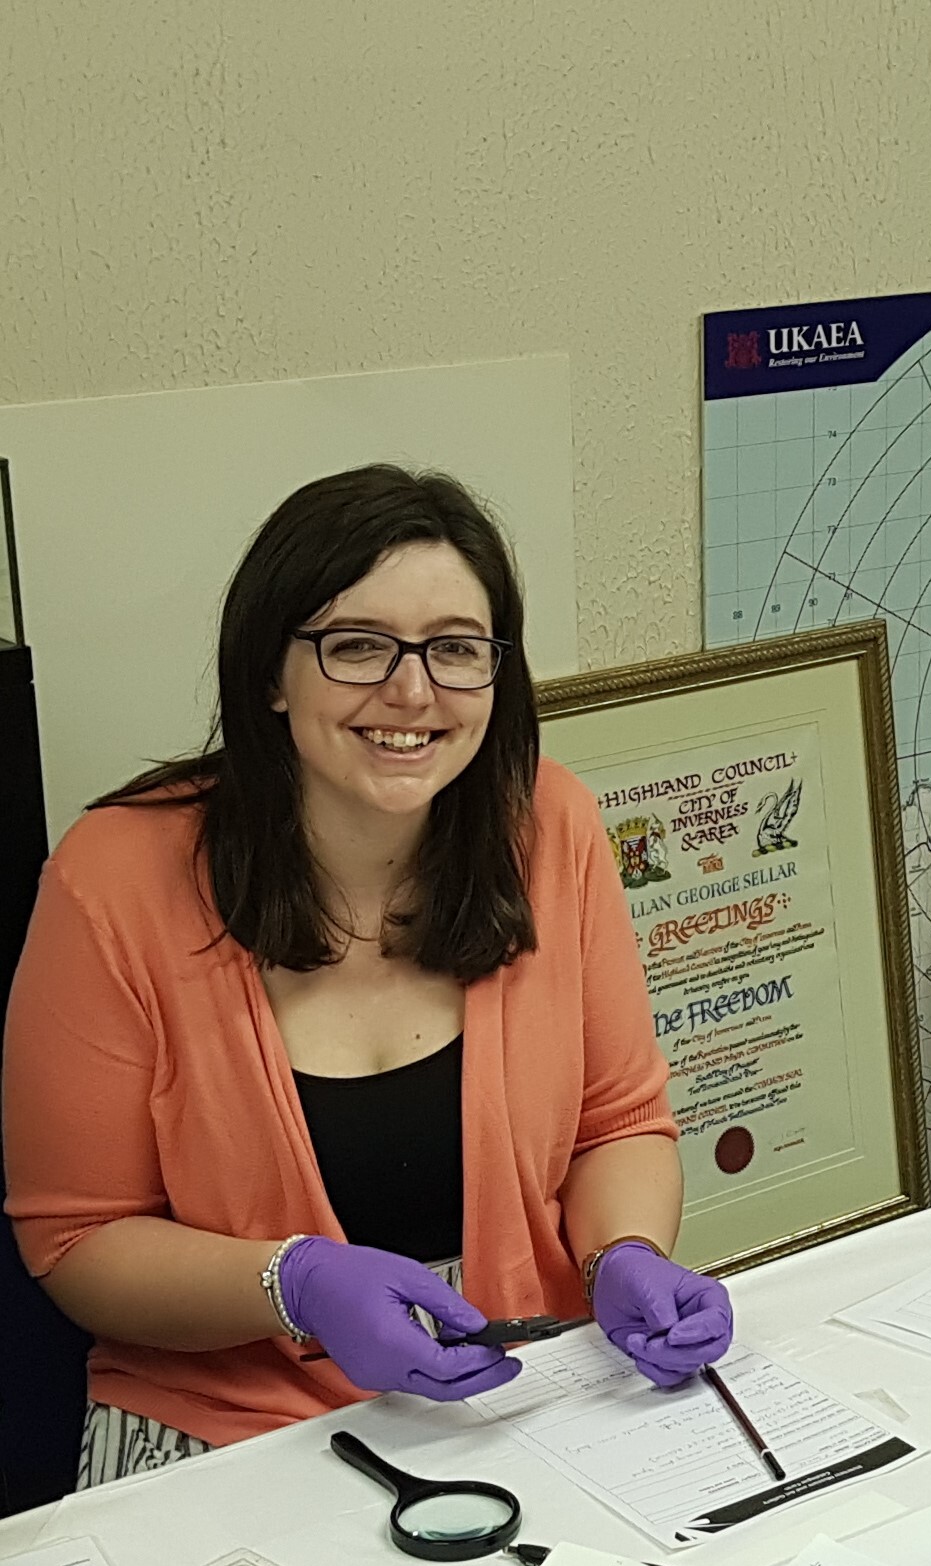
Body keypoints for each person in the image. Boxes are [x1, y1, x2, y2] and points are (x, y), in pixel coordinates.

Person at [6, 466, 732, 1484]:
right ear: (270, 673)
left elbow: (615, 1125)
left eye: (455, 650)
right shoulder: (115, 877)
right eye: (356, 647)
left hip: (516, 1381)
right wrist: (291, 1283)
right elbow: (74, 1239)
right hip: (224, 1417)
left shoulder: (549, 827)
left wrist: (624, 1254)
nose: (412, 692)